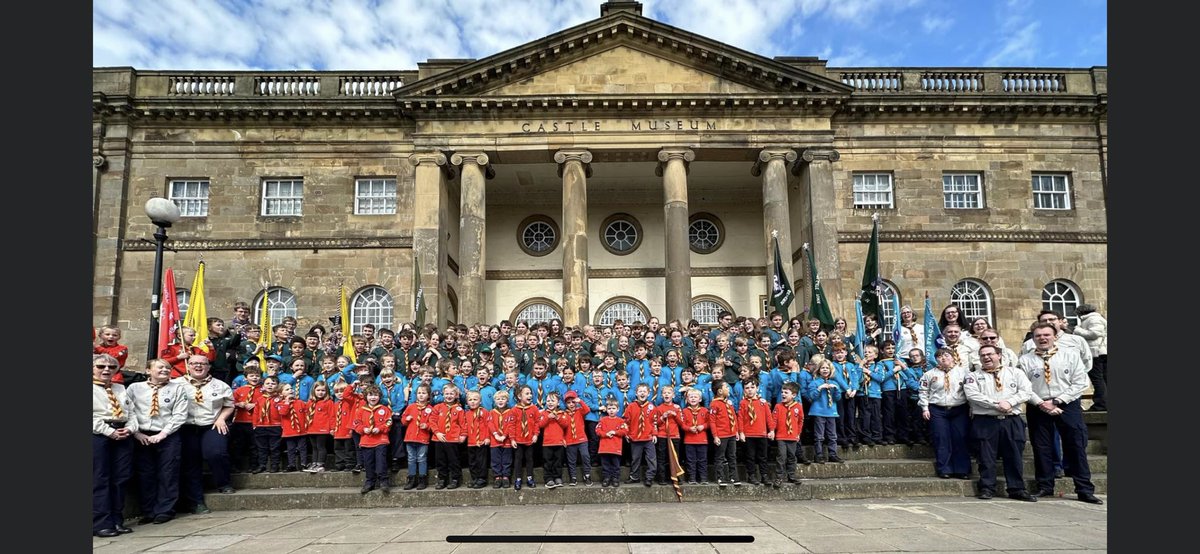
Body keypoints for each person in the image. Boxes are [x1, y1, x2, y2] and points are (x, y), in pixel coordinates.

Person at [1018, 323, 1104, 504]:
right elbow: (1023, 387)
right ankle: (1045, 485)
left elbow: (1080, 383)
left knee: (1075, 446)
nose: (1042, 338)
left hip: (1067, 404)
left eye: (1046, 335)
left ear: (1055, 336)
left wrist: (1058, 401)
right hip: (1038, 405)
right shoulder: (1025, 360)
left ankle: (1084, 489)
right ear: (1033, 338)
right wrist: (1042, 403)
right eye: (1038, 335)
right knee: (1041, 447)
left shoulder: (1070, 355)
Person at [963, 344, 1036, 502]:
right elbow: (973, 395)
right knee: (985, 457)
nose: (986, 357)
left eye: (990, 354)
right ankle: (987, 488)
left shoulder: (1015, 373)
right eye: (983, 355)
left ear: (999, 355)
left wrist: (1010, 402)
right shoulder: (973, 376)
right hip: (985, 421)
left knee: (1014, 455)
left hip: (1011, 420)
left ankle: (1017, 489)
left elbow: (1026, 391)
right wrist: (996, 405)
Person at [127, 358, 189, 524]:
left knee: (168, 472)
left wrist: (163, 433)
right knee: (145, 473)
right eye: (160, 367)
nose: (165, 370)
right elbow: (129, 411)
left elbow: (180, 414)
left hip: (167, 434)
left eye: (168, 368)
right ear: (148, 370)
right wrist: (137, 433)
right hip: (141, 435)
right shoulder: (134, 388)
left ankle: (165, 510)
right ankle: (148, 510)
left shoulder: (177, 388)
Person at [172, 355, 235, 517]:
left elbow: (229, 405)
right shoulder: (176, 384)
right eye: (194, 363)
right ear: (188, 366)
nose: (198, 366)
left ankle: (223, 482)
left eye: (202, 363)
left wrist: (221, 418)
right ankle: (196, 502)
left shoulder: (220, 385)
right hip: (186, 427)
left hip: (211, 424)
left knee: (216, 453)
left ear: (208, 367)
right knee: (190, 462)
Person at [93, 354, 137, 537]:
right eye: (101, 366)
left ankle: (116, 520)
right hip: (98, 435)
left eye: (111, 367)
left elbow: (131, 412)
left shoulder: (119, 388)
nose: (106, 370)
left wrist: (130, 428)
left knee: (120, 477)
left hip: (122, 433)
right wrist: (108, 431)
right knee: (100, 478)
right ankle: (101, 523)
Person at [919, 348, 971, 480]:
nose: (943, 358)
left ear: (953, 357)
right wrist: (925, 408)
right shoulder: (929, 374)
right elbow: (923, 391)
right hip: (938, 409)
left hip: (959, 408)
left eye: (946, 355)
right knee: (941, 438)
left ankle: (962, 469)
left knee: (960, 437)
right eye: (939, 357)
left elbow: (970, 391)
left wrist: (972, 408)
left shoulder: (963, 372)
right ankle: (944, 468)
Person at [353, 384, 393, 493]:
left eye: (375, 395)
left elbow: (389, 422)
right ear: (366, 397)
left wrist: (380, 428)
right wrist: (363, 429)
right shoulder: (360, 410)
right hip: (366, 441)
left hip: (381, 440)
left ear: (379, 397)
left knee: (381, 462)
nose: (373, 397)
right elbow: (356, 423)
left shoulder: (384, 409)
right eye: (370, 395)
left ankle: (383, 481)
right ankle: (370, 481)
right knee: (368, 463)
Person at [737, 379, 775, 486]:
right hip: (748, 434)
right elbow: (740, 418)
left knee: (763, 456)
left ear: (757, 388)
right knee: (750, 456)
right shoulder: (743, 403)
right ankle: (751, 475)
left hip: (761, 434)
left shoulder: (763, 402)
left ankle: (764, 475)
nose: (750, 390)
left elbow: (769, 417)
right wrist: (741, 432)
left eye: (752, 387)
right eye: (747, 388)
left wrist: (771, 430)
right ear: (744, 390)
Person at [807, 360, 845, 464]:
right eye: (823, 368)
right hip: (819, 412)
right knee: (819, 436)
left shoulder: (834, 383)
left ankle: (833, 454)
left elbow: (837, 398)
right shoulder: (814, 383)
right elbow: (812, 397)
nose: (825, 370)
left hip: (831, 412)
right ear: (819, 370)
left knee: (832, 435)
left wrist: (836, 389)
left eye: (827, 368)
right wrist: (819, 388)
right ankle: (818, 455)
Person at [504, 385, 541, 490]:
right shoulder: (514, 410)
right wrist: (512, 439)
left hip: (530, 439)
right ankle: (518, 479)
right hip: (518, 440)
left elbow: (537, 423)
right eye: (527, 394)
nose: (530, 395)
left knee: (529, 459)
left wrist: (535, 434)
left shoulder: (534, 409)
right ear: (519, 396)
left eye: (530, 393)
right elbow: (511, 425)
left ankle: (530, 478)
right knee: (518, 460)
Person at [1071, 304, 1107, 412]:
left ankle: (1101, 404)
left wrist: (1078, 330)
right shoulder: (1095, 318)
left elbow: (1095, 334)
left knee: (1098, 379)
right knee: (1103, 379)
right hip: (1101, 352)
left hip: (1096, 353)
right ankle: (1103, 403)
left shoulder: (1093, 319)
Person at [430, 383, 467, 489]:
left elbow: (463, 424)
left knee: (453, 460)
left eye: (451, 394)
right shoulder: (438, 407)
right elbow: (432, 421)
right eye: (447, 394)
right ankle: (442, 479)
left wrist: (463, 435)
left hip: (453, 439)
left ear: (456, 395)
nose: (449, 396)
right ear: (443, 394)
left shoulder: (459, 409)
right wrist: (437, 432)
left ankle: (455, 479)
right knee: (440, 460)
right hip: (439, 438)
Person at [624, 383, 658, 486]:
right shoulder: (631, 406)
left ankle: (649, 477)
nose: (642, 393)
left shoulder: (652, 407)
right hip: (635, 438)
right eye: (640, 391)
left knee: (651, 459)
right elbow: (626, 421)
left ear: (648, 393)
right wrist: (626, 433)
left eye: (644, 391)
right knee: (635, 459)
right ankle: (634, 477)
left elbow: (654, 422)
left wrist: (654, 434)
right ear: (636, 393)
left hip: (648, 438)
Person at [771, 381, 805, 487]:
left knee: (792, 457)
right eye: (782, 392)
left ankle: (792, 476)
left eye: (786, 392)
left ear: (794, 395)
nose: (783, 394)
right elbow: (774, 420)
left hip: (792, 436)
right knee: (781, 457)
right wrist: (772, 430)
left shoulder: (798, 406)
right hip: (781, 436)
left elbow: (800, 421)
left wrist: (798, 433)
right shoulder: (778, 406)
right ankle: (779, 477)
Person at [401, 383, 434, 490]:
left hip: (423, 439)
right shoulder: (411, 407)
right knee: (411, 459)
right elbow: (403, 420)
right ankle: (411, 479)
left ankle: (422, 479)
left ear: (428, 395)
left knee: (422, 458)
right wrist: (406, 419)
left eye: (423, 393)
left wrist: (427, 426)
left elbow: (433, 424)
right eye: (419, 393)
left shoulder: (430, 409)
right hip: (410, 438)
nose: (421, 395)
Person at [252, 376, 286, 473]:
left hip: (276, 426)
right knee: (261, 447)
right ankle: (262, 465)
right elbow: (256, 412)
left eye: (273, 383)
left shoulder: (280, 399)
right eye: (267, 383)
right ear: (263, 386)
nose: (270, 385)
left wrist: (282, 425)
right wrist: (255, 425)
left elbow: (283, 413)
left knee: (275, 447)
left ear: (277, 386)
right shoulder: (260, 399)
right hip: (261, 426)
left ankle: (275, 465)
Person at [709, 380, 739, 487]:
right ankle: (720, 477)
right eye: (726, 387)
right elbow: (712, 421)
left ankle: (733, 477)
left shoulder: (728, 403)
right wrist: (715, 436)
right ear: (720, 391)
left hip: (731, 434)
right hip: (721, 435)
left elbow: (734, 417)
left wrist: (736, 431)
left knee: (732, 456)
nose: (728, 388)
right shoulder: (714, 404)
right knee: (720, 457)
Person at [652, 385, 684, 486]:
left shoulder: (677, 408)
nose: (667, 395)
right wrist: (662, 417)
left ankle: (675, 477)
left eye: (669, 393)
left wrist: (675, 415)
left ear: (673, 395)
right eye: (664, 393)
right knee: (662, 457)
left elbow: (681, 423)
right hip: (662, 436)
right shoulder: (658, 408)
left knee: (675, 457)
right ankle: (662, 478)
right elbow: (656, 423)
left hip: (674, 436)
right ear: (662, 395)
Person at [463, 390, 492, 489]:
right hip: (471, 442)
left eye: (475, 399)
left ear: (480, 401)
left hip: (482, 441)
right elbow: (465, 427)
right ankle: (474, 478)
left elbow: (488, 426)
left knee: (481, 461)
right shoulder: (466, 414)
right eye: (470, 400)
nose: (472, 402)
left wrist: (487, 437)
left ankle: (482, 478)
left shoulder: (485, 412)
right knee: (472, 461)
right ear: (467, 402)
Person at [562, 391, 592, 486]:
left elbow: (587, 410)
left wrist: (580, 401)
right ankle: (573, 477)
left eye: (573, 402)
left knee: (585, 456)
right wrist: (563, 439)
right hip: (569, 441)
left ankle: (587, 475)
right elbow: (562, 428)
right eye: (568, 403)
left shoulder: (580, 411)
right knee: (571, 460)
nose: (571, 404)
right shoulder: (563, 414)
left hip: (582, 439)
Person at [304, 381, 335, 472]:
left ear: (327, 391)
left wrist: (332, 428)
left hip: (322, 429)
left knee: (320, 446)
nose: (320, 392)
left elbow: (332, 416)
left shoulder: (328, 402)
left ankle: (320, 464)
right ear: (313, 391)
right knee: (314, 447)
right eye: (318, 390)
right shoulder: (310, 402)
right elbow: (306, 414)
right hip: (311, 429)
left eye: (323, 390)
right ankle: (314, 463)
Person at [680, 388, 709, 486]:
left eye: (695, 397)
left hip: (702, 440)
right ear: (687, 400)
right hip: (689, 440)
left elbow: (709, 422)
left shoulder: (705, 410)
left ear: (700, 399)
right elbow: (682, 424)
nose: (693, 399)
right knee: (690, 460)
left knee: (702, 460)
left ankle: (703, 478)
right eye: (691, 397)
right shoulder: (684, 411)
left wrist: (703, 426)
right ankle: (692, 478)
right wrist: (689, 429)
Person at [596, 400, 628, 487]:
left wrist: (615, 432)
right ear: (606, 409)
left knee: (616, 465)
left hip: (615, 448)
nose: (611, 410)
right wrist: (605, 434)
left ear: (618, 409)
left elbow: (625, 431)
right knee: (605, 465)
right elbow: (597, 430)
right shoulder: (602, 420)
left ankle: (615, 478)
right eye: (609, 408)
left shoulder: (621, 421)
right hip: (604, 448)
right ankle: (606, 478)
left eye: (613, 408)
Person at [488, 390, 514, 489]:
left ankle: (506, 477)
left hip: (506, 441)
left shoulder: (510, 412)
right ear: (494, 401)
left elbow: (510, 425)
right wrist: (496, 435)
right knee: (495, 460)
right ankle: (497, 477)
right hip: (495, 440)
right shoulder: (492, 412)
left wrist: (504, 436)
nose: (500, 401)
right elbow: (490, 424)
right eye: (498, 399)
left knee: (507, 459)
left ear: (507, 400)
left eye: (503, 399)